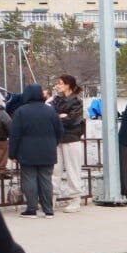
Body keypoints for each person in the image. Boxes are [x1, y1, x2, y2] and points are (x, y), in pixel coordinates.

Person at [8, 84, 63, 219]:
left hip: (27, 151)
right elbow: (60, 131)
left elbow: (15, 135)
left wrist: (12, 153)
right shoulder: (50, 111)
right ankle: (48, 210)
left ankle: (32, 209)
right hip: (48, 151)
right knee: (46, 179)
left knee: (29, 179)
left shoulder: (21, 111)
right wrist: (52, 144)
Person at [49, 74, 86, 213]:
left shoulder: (76, 101)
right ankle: (51, 198)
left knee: (73, 170)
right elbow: (51, 115)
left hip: (72, 138)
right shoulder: (56, 100)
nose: (58, 85)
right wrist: (61, 116)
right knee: (54, 170)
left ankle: (75, 199)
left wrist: (61, 117)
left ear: (68, 84)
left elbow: (73, 120)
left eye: (60, 83)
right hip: (58, 138)